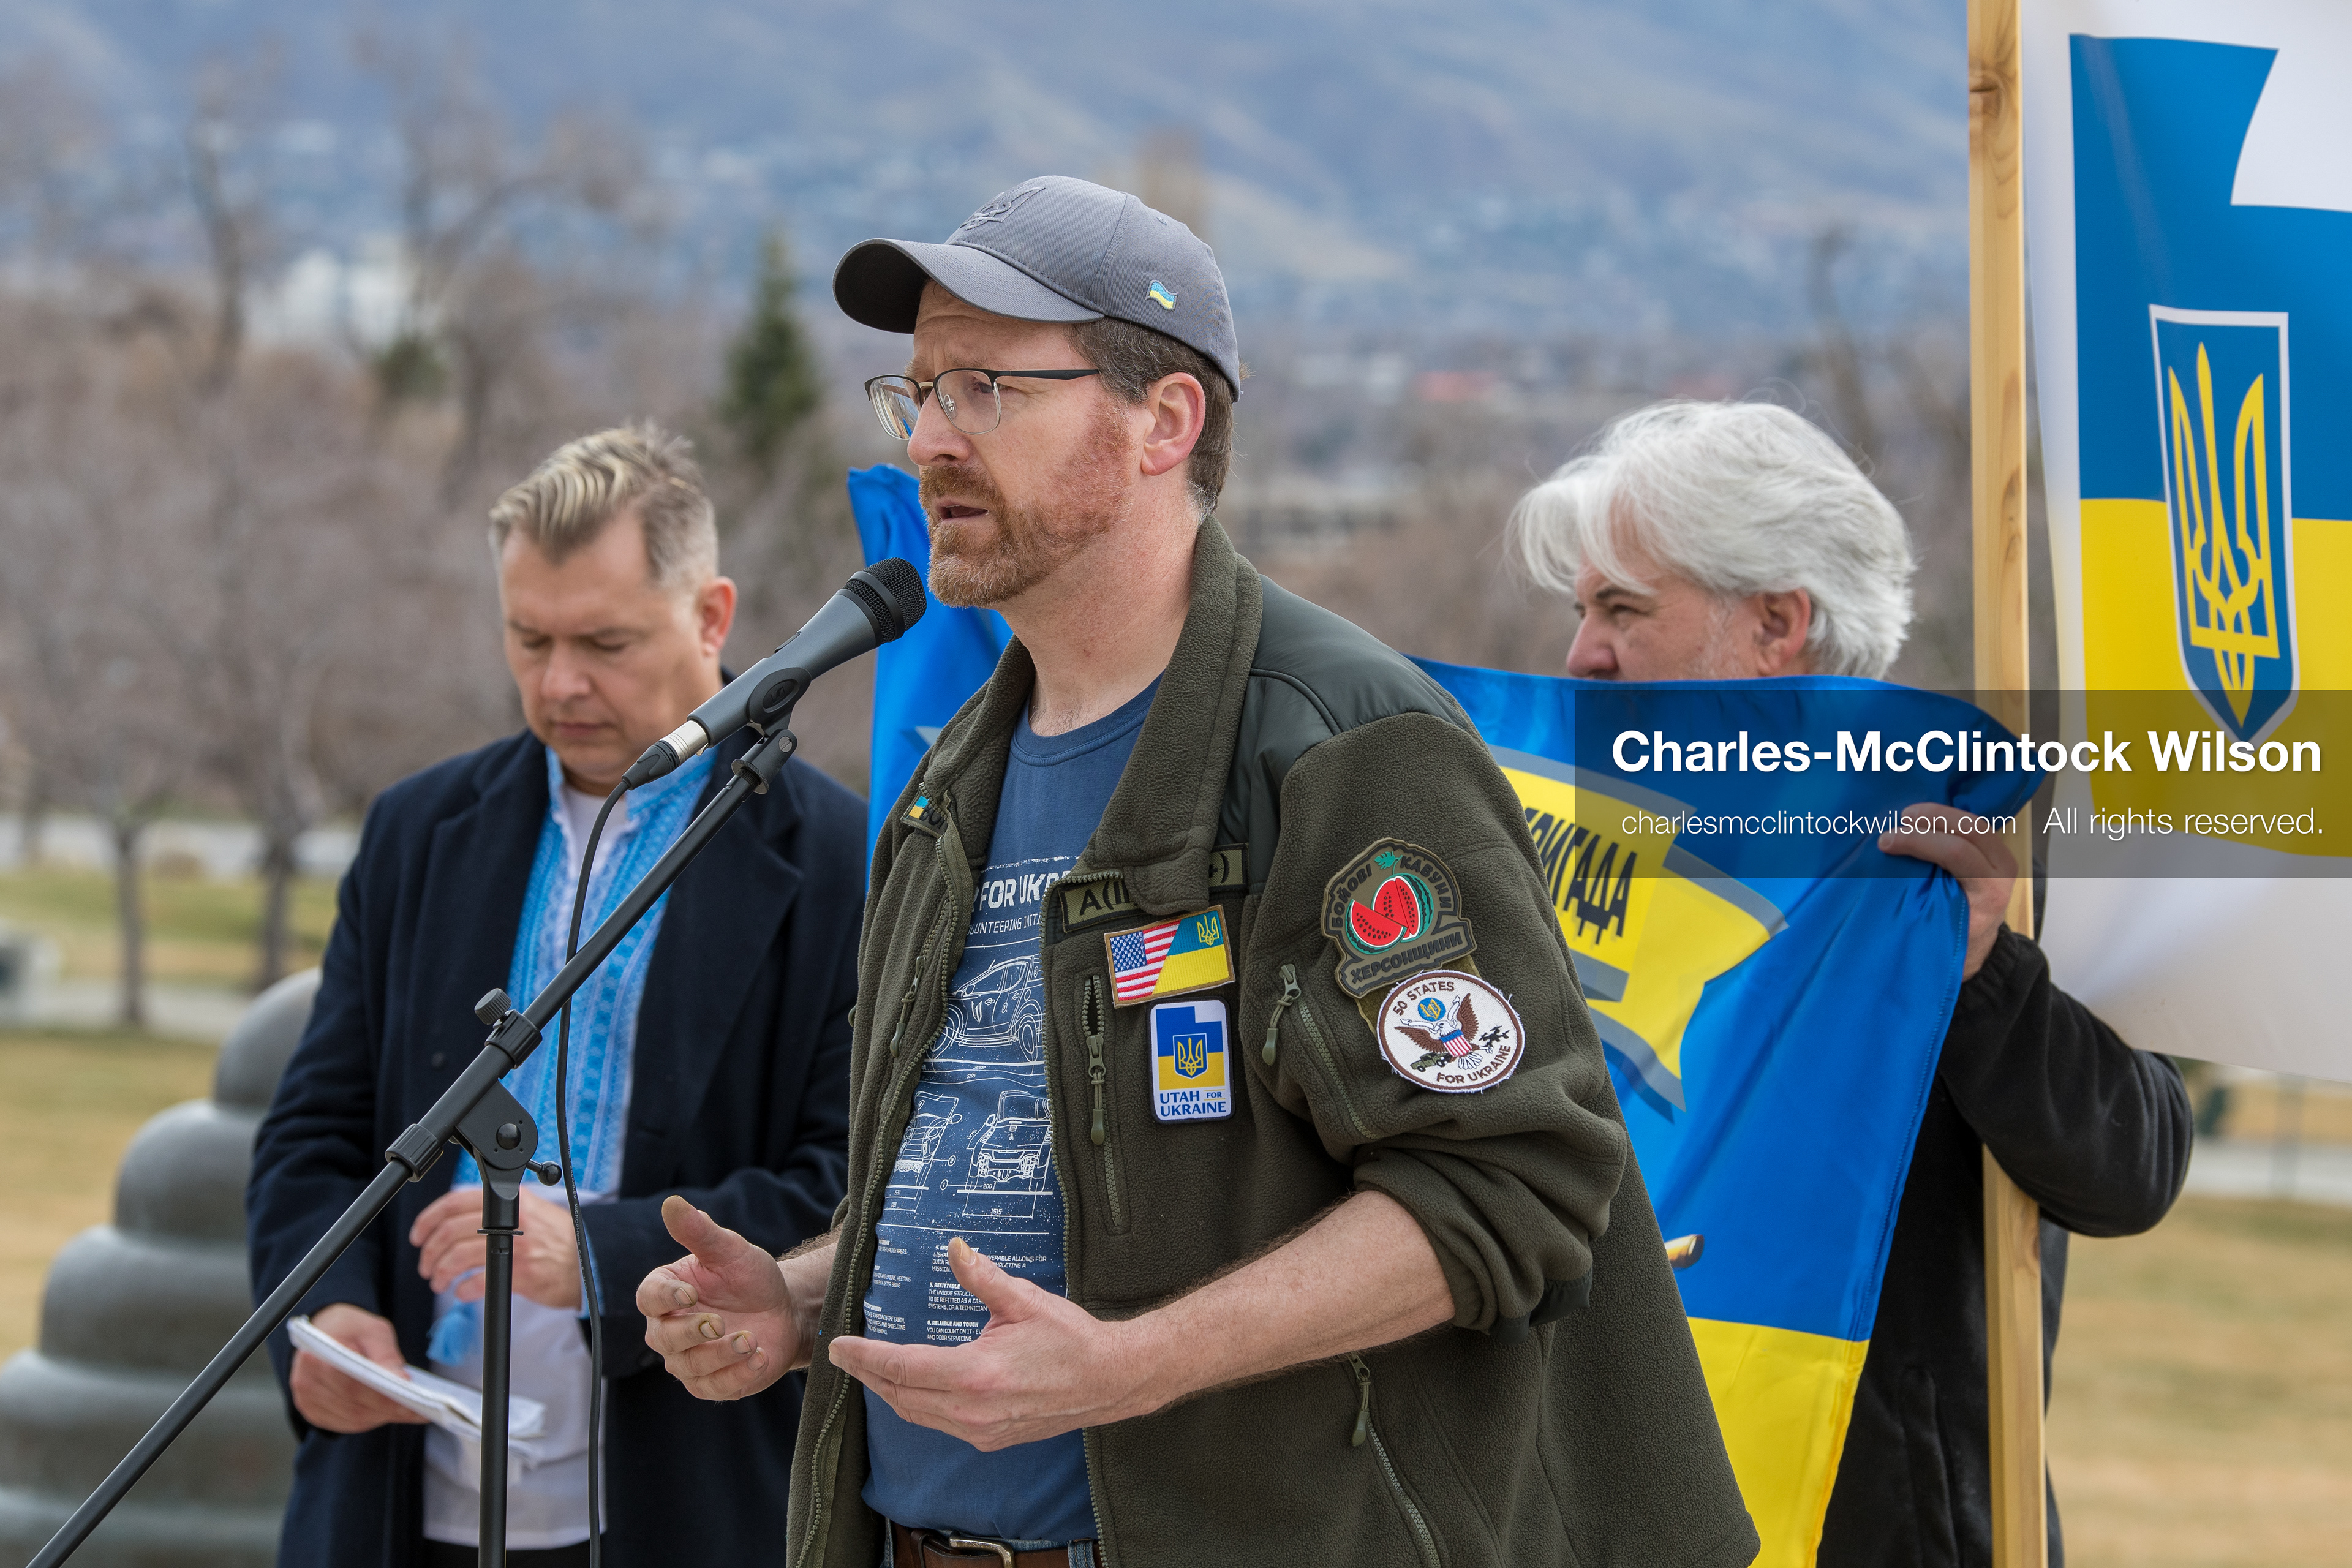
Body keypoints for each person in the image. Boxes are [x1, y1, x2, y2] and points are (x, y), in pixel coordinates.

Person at [634, 176, 1760, 1568]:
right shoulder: (945, 788)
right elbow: (1020, 1172)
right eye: (917, 391)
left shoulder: (1343, 748)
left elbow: (1513, 1184)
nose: (931, 440)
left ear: (1165, 421)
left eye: (989, 386)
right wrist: (807, 1297)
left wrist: (1135, 1363)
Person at [1509, 399, 2194, 1568]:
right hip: (1610, 1507)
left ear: (1776, 623)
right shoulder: (1568, 849)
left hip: (1882, 1522)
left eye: (1623, 608)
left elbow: (2132, 1167)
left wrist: (1986, 970)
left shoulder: (1979, 844)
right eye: (1581, 611)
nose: (1583, 654)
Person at [246, 424, 866, 1568]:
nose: (560, 682)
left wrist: (599, 1252)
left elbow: (846, 1186)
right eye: (528, 639)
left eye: (605, 642)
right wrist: (325, 1319)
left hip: (685, 1498)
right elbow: (314, 1135)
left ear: (713, 616)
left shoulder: (844, 858)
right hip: (395, 1499)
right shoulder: (415, 832)